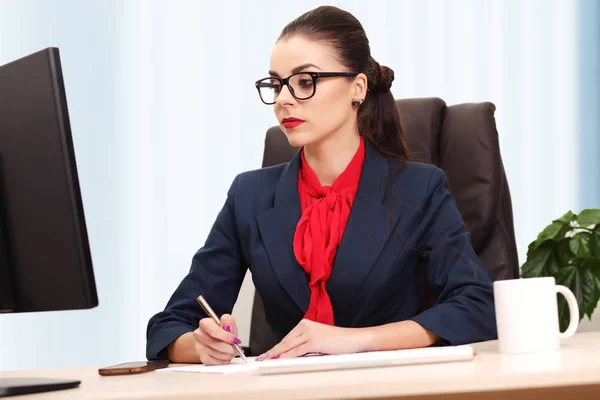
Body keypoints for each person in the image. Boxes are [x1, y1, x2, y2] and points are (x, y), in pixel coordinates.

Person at [146, 5, 497, 366]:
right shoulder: (248, 196)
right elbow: (168, 327)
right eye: (276, 84)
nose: (283, 99)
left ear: (357, 88)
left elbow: (477, 307)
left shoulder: (419, 189)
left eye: (304, 81)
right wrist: (201, 346)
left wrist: (356, 341)